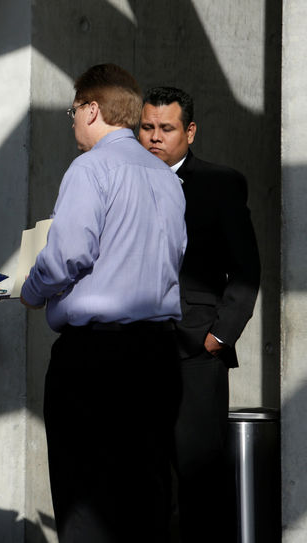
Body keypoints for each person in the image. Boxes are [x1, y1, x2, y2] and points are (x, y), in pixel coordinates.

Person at [20, 64, 187, 543]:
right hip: (158, 355)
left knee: (87, 500)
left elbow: (69, 252)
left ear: (92, 109)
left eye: (73, 110)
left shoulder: (90, 168)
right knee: (146, 499)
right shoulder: (166, 177)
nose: (73, 121)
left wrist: (32, 291)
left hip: (96, 360)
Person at [139, 86, 261, 542]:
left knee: (200, 482)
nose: (154, 138)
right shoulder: (125, 179)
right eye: (146, 128)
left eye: (165, 129)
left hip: (197, 351)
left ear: (189, 131)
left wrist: (220, 336)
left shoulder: (220, 183)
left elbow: (246, 269)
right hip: (137, 347)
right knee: (148, 480)